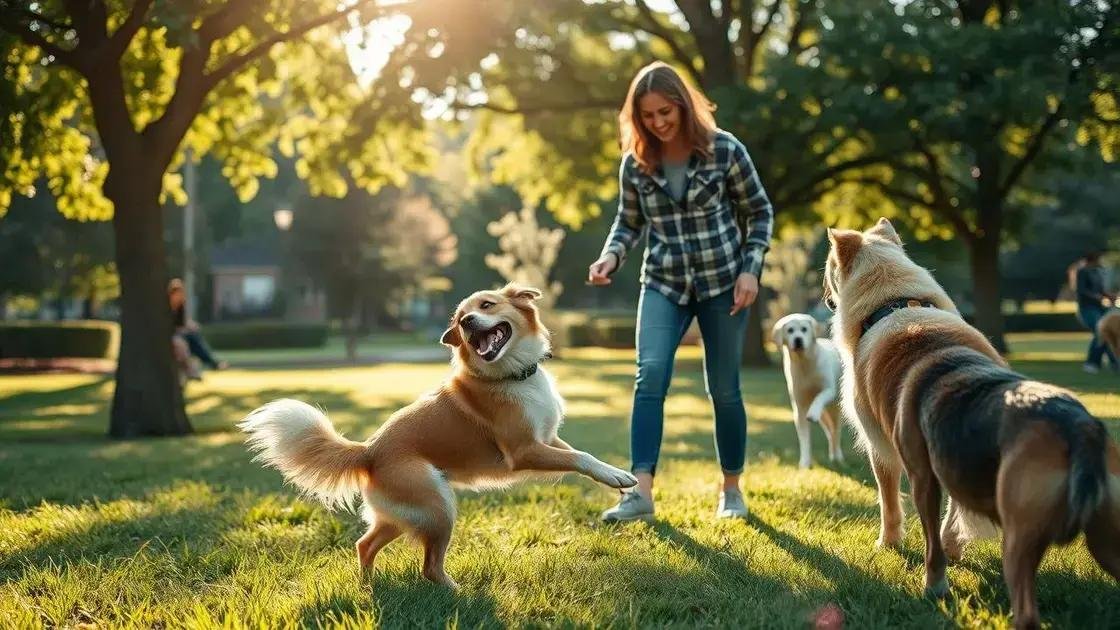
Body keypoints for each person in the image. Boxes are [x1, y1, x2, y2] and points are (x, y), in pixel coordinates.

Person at [587, 61, 774, 522]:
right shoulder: (635, 164)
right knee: (649, 375)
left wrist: (751, 270)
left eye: (665, 112)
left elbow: (759, 212)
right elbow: (628, 222)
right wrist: (611, 256)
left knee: (724, 389)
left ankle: (731, 490)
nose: (658, 122)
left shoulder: (724, 149)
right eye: (647, 115)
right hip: (664, 282)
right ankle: (640, 494)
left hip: (723, 283)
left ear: (684, 106)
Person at [169, 278, 227, 380]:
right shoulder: (165, 308)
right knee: (187, 341)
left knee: (194, 337)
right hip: (172, 337)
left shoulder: (180, 308)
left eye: (181, 294)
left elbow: (182, 323)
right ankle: (198, 368)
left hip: (180, 336)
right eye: (177, 294)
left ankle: (208, 364)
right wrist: (184, 329)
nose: (179, 297)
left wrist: (190, 326)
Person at [1076, 252, 1118, 373]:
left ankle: (1115, 363)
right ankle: (1091, 363)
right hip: (1087, 308)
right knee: (1100, 333)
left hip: (1099, 307)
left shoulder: (1097, 272)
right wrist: (1097, 297)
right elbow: (1082, 290)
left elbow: (1101, 290)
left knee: (1109, 333)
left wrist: (1110, 296)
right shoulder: (1083, 272)